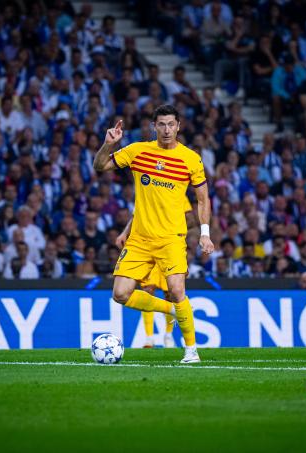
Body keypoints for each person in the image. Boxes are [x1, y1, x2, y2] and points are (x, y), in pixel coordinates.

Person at [93, 104, 215, 363]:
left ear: (179, 126)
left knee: (176, 289)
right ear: (154, 126)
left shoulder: (190, 158)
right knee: (120, 294)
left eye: (171, 124)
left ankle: (191, 350)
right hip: (140, 238)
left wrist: (204, 233)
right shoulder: (138, 151)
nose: (167, 129)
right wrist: (108, 144)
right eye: (161, 124)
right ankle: (171, 310)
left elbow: (203, 198)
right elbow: (100, 166)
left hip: (171, 238)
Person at [116, 197, 193, 348]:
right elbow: (136, 214)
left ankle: (168, 336)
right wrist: (125, 232)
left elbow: (190, 219)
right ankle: (149, 337)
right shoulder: (146, 186)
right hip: (146, 244)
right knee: (147, 289)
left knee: (170, 293)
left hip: (168, 245)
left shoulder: (176, 189)